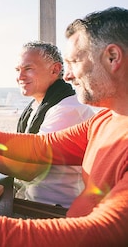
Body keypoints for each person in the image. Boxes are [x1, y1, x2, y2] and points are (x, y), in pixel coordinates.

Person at [0, 7, 128, 246]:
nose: (67, 76)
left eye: (75, 61)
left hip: (57, 219)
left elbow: (104, 232)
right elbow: (39, 145)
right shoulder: (104, 120)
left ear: (112, 57)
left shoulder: (77, 111)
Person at [13, 41, 94, 208]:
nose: (20, 77)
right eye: (18, 70)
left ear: (55, 70)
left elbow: (28, 170)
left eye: (28, 69)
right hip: (30, 202)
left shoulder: (68, 109)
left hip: (56, 212)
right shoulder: (37, 105)